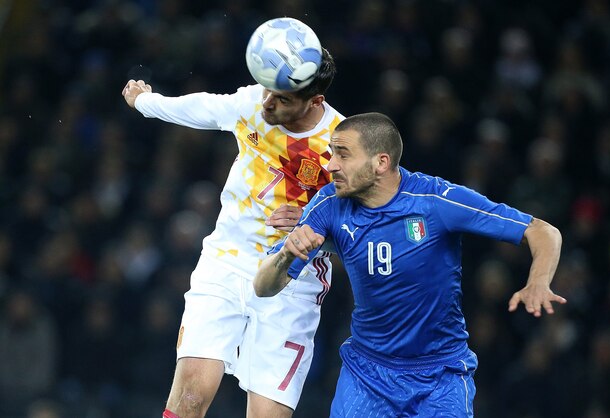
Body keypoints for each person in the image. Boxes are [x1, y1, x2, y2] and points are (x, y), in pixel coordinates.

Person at [254, 112, 567, 417]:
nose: (331, 165)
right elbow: (263, 287)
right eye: (331, 153)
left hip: (440, 377)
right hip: (367, 375)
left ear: (381, 162)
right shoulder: (329, 203)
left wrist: (538, 281)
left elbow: (542, 231)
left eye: (343, 155)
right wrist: (285, 256)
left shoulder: (436, 201)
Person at [122, 45, 342, 418]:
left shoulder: (342, 144)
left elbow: (363, 224)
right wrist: (147, 102)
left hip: (294, 281)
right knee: (190, 394)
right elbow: (203, 108)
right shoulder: (253, 103)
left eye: (282, 99)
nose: (268, 103)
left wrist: (316, 225)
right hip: (227, 258)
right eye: (267, 90)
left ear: (313, 100)